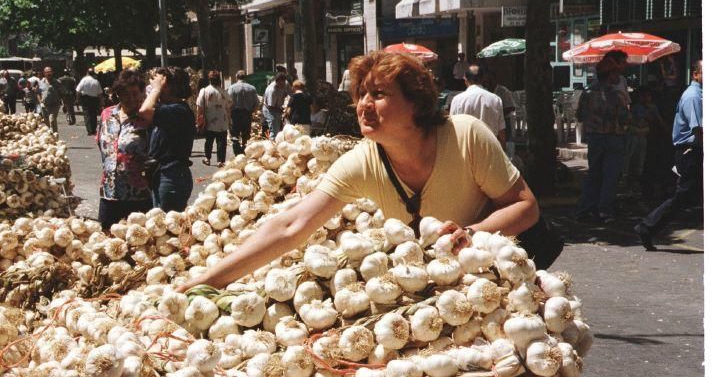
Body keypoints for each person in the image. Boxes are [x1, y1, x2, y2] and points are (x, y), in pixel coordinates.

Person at [178, 50, 539, 292]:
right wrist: (208, 280)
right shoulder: (363, 161)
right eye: (360, 94)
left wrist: (470, 234)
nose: (364, 104)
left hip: (486, 285)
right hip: (428, 287)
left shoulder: (466, 136)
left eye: (379, 94)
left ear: (416, 101)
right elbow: (291, 225)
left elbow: (524, 206)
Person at [635, 60, 703, 250]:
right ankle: (647, 227)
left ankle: (647, 227)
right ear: (696, 75)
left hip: (693, 150)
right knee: (683, 196)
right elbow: (698, 129)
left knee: (687, 196)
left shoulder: (701, 94)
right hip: (691, 152)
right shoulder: (693, 97)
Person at [574, 57, 631, 224]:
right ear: (610, 74)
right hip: (613, 137)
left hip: (594, 137)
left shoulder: (587, 92)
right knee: (610, 176)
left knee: (594, 174)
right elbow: (624, 117)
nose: (618, 76)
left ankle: (585, 208)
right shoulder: (615, 95)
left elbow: (580, 115)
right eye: (616, 73)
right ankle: (605, 210)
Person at [95, 69, 153, 230]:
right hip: (109, 192)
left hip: (138, 194)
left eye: (135, 93)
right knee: (106, 238)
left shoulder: (146, 119)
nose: (131, 98)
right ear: (118, 94)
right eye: (125, 93)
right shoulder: (107, 114)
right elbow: (101, 144)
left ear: (142, 93)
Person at [141, 67, 196, 211]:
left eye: (159, 82)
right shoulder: (168, 108)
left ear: (171, 86)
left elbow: (145, 111)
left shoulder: (178, 110)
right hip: (162, 174)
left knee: (166, 224)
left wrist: (155, 90)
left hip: (172, 176)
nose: (154, 85)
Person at [448, 65, 506, 148]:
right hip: (489, 150)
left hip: (466, 150)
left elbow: (452, 128)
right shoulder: (495, 100)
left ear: (465, 79)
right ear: (483, 79)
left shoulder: (457, 100)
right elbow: (501, 132)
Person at [622, 87, 655, 192]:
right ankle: (628, 181)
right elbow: (640, 122)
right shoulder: (638, 108)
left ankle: (631, 181)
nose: (648, 98)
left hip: (641, 136)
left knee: (638, 159)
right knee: (632, 159)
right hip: (635, 136)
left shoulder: (647, 108)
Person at [197, 70, 231, 167]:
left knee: (209, 141)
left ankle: (207, 158)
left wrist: (199, 119)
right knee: (221, 141)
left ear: (210, 80)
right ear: (219, 81)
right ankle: (220, 161)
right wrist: (229, 119)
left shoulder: (203, 91)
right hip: (222, 120)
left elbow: (199, 107)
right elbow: (229, 106)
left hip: (209, 120)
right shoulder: (223, 92)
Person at [482, 68, 516, 152]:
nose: (488, 82)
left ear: (495, 79)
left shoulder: (503, 91)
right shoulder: (484, 92)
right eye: (486, 80)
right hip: (490, 121)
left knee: (506, 143)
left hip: (504, 121)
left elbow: (511, 107)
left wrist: (498, 113)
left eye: (490, 80)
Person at [228, 70, 259, 156]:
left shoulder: (232, 88)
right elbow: (257, 103)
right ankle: (245, 150)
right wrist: (251, 111)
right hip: (247, 114)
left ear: (236, 77)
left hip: (235, 114)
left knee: (235, 135)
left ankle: (237, 153)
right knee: (246, 135)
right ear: (246, 77)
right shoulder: (252, 88)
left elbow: (228, 102)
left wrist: (228, 113)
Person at [76, 67, 104, 136]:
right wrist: (101, 102)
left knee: (87, 114)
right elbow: (100, 93)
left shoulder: (84, 80)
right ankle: (94, 130)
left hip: (85, 99)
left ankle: (89, 130)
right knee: (93, 114)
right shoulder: (96, 81)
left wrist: (78, 99)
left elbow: (78, 90)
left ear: (87, 73)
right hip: (94, 99)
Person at [262, 72, 289, 139]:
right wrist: (282, 111)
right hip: (270, 110)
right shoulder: (272, 90)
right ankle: (272, 145)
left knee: (279, 130)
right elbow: (271, 106)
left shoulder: (285, 84)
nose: (283, 86)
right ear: (278, 81)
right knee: (274, 131)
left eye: (284, 83)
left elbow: (290, 93)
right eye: (281, 84)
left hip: (278, 108)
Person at [38, 67, 62, 133]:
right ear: (44, 73)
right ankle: (50, 135)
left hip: (55, 104)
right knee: (46, 122)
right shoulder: (40, 82)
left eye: (50, 72)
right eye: (47, 72)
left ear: (52, 73)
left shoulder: (57, 82)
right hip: (45, 105)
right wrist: (40, 102)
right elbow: (38, 93)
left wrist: (64, 104)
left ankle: (55, 135)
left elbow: (61, 93)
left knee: (52, 119)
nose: (49, 73)